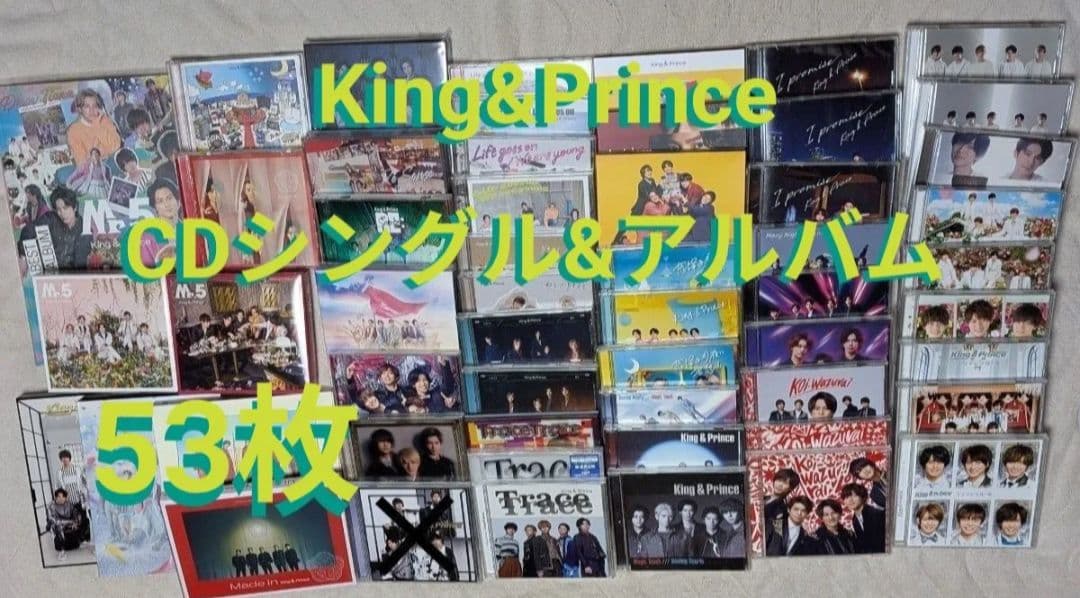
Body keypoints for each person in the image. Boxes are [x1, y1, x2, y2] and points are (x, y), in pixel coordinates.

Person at [66, 88, 122, 165]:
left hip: (114, 163)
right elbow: (81, 161)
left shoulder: (105, 120)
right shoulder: (73, 131)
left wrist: (97, 125)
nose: (91, 110)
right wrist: (103, 156)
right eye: (87, 106)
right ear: (80, 109)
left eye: (95, 106)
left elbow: (115, 147)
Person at [763, 468, 800, 555]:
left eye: (785, 483)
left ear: (790, 488)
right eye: (779, 480)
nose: (780, 485)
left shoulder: (781, 510)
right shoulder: (762, 498)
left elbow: (777, 537)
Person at [842, 483, 885, 553]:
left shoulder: (875, 514)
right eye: (846, 497)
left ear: (862, 497)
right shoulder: (855, 519)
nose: (850, 500)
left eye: (854, 496)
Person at [47, 488, 84, 561]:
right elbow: (55, 520)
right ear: (55, 497)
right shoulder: (51, 506)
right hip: (57, 525)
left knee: (82, 516)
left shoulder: (68, 504)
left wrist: (76, 522)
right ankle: (61, 551)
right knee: (58, 526)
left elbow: (75, 513)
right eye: (59, 496)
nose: (61, 498)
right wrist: (71, 522)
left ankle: (81, 540)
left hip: (68, 523)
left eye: (63, 496)